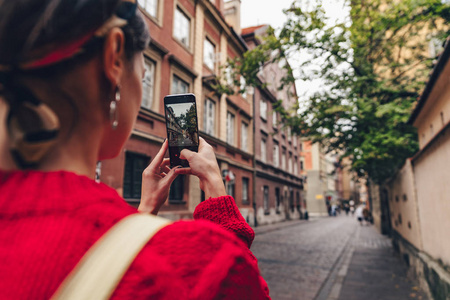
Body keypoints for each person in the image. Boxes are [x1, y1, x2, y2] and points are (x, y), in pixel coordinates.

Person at [0, 1, 270, 299]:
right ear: (114, 57)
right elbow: (236, 282)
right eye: (143, 75)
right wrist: (216, 191)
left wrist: (141, 216)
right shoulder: (191, 264)